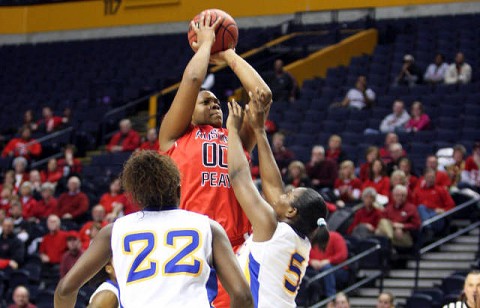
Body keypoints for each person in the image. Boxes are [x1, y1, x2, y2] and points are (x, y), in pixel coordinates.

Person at [54, 150, 253, 308]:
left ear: (134, 197)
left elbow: (65, 289)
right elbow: (242, 296)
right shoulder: (208, 227)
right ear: (178, 190)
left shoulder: (114, 231)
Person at [158, 11, 271, 253]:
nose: (215, 104)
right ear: (188, 112)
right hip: (192, 243)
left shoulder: (237, 138)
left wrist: (229, 54)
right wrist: (207, 45)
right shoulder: (174, 136)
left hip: (238, 246)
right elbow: (194, 78)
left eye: (217, 102)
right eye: (206, 102)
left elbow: (263, 95)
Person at [227, 94, 329, 306]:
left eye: (289, 195)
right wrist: (259, 131)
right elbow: (274, 188)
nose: (283, 194)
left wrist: (233, 132)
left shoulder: (271, 228)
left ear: (292, 212)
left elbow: (239, 177)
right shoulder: (298, 239)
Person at [307, 231, 348, 299]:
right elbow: (301, 256)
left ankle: (331, 298)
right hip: (315, 269)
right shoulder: (309, 240)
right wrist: (311, 262)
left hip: (337, 269)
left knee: (326, 268)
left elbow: (342, 255)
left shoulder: (335, 236)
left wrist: (328, 261)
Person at [413, 168, 455, 232]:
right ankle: (428, 228)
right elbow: (413, 207)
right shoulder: (418, 190)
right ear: (424, 178)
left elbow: (451, 205)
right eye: (428, 177)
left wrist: (444, 210)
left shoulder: (441, 190)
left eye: (432, 177)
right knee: (421, 208)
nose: (430, 179)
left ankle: (426, 228)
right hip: (421, 215)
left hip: (436, 216)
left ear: (435, 178)